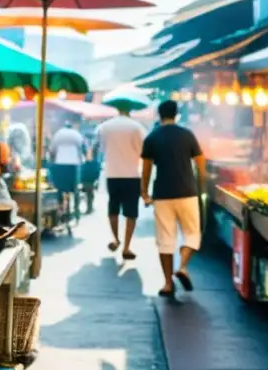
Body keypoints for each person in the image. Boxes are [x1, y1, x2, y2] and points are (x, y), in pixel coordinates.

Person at [141, 100, 205, 298]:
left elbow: (146, 168)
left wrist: (144, 191)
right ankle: (183, 265)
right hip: (187, 192)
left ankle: (168, 284)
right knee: (193, 234)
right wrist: (201, 183)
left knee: (165, 240)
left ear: (159, 115)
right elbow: (200, 161)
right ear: (177, 114)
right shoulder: (187, 135)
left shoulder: (152, 137)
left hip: (162, 194)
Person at [97, 103, 146, 259]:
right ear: (130, 110)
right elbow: (142, 151)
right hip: (132, 174)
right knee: (131, 213)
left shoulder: (104, 127)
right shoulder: (137, 127)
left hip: (112, 173)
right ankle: (126, 247)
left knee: (113, 208)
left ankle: (116, 239)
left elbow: (102, 149)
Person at [49, 121, 86, 220]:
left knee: (59, 189)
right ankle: (76, 210)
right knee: (75, 189)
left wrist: (52, 162)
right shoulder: (76, 134)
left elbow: (52, 150)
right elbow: (83, 149)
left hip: (60, 164)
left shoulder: (58, 134)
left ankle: (60, 208)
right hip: (73, 165)